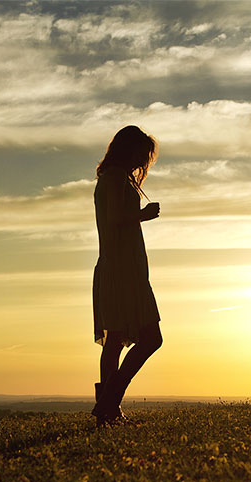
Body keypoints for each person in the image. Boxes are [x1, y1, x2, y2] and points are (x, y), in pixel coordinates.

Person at [91, 125, 163, 426]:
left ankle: (107, 409)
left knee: (116, 339)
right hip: (122, 271)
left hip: (121, 268)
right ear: (127, 149)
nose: (142, 161)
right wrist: (142, 215)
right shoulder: (115, 178)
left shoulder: (116, 178)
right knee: (150, 339)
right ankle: (109, 401)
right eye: (141, 154)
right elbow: (114, 219)